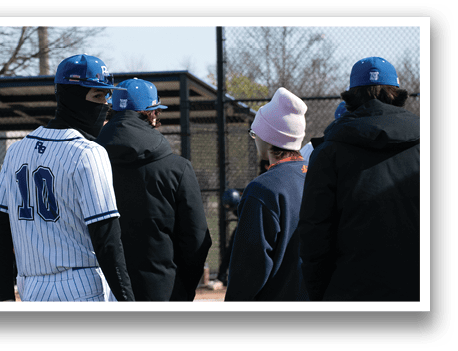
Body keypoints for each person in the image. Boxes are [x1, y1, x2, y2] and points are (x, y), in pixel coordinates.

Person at [0, 54, 134, 302]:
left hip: (32, 290)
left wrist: (3, 299)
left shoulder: (17, 150)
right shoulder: (89, 153)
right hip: (82, 290)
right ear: (73, 96)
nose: (105, 104)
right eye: (98, 96)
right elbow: (107, 240)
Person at [296, 57, 420, 301]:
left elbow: (314, 232)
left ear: (351, 96)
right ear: (396, 93)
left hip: (349, 291)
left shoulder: (329, 151)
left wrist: (320, 293)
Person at [94, 78, 211, 301]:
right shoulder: (177, 168)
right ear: (152, 113)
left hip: (100, 290)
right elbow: (196, 239)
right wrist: (181, 290)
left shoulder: (89, 161)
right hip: (161, 290)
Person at [224, 87, 310, 301]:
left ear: (268, 137)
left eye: (255, 133)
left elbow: (249, 269)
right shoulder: (319, 177)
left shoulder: (263, 189)